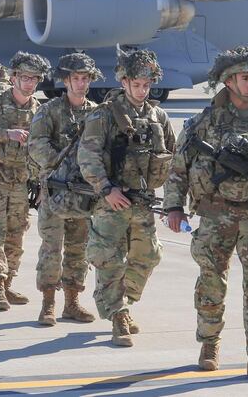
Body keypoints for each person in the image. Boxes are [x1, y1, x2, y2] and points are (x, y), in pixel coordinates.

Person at [163, 46, 248, 382]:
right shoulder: (205, 121)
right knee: (211, 284)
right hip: (215, 215)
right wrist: (173, 207)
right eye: (246, 78)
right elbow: (179, 168)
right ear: (228, 80)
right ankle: (209, 345)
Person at [77, 47, 175, 346]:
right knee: (109, 259)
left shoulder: (158, 115)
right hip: (112, 201)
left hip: (143, 201)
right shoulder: (104, 115)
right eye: (137, 84)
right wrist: (106, 189)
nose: (142, 90)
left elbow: (173, 159)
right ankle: (118, 315)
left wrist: (174, 201)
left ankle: (123, 300)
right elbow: (88, 155)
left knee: (148, 256)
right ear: (124, 82)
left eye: (147, 84)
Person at [0, 51, 49, 310]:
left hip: (20, 180)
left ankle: (8, 281)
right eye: (25, 77)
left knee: (17, 231)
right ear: (14, 77)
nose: (29, 83)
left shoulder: (38, 109)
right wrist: (7, 134)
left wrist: (40, 184)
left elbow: (39, 150)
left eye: (34, 79)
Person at [29, 52, 102, 325]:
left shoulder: (96, 114)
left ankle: (72, 303)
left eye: (85, 79)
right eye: (76, 79)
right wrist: (65, 168)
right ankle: (48, 303)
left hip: (84, 195)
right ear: (66, 81)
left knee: (79, 250)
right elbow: (37, 146)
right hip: (56, 193)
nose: (80, 84)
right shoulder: (49, 111)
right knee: (51, 249)